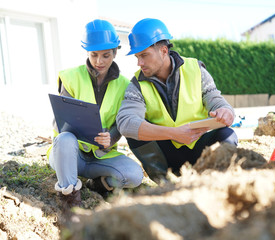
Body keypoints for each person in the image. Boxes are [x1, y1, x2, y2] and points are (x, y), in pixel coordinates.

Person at [116, 18, 238, 182]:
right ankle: (165, 183)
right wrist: (174, 133)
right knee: (134, 134)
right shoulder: (136, 84)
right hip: (167, 157)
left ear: (164, 51)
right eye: (137, 57)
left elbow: (214, 97)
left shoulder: (195, 69)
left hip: (200, 149)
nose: (140, 63)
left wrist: (226, 110)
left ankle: (215, 180)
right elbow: (125, 122)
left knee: (228, 134)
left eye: (144, 55)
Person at [47, 19, 143, 210]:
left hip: (101, 156)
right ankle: (69, 198)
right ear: (87, 52)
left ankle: (98, 184)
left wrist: (112, 137)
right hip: (69, 156)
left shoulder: (125, 86)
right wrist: (71, 128)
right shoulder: (71, 77)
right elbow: (58, 124)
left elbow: (121, 123)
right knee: (65, 138)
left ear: (115, 52)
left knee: (134, 175)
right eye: (94, 55)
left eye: (106, 55)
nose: (99, 61)